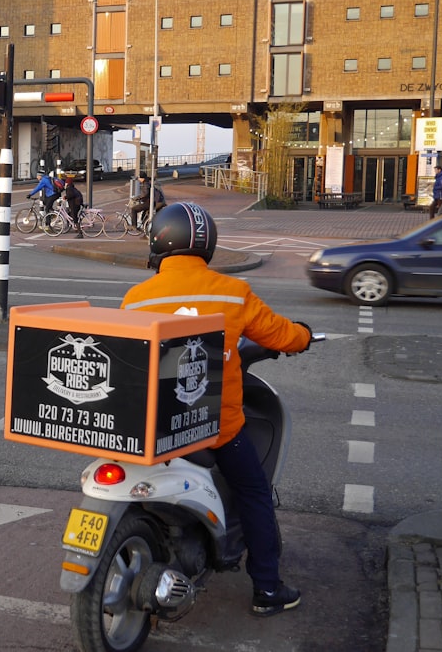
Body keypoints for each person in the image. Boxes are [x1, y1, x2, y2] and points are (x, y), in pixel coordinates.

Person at [119, 202, 311, 617]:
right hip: (212, 427)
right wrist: (305, 335)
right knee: (255, 492)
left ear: (158, 242)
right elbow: (281, 334)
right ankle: (267, 588)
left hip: (151, 425)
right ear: (207, 245)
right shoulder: (231, 292)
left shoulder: (135, 298)